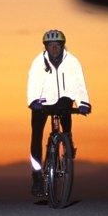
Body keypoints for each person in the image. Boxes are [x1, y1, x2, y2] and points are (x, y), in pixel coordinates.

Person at [27, 29, 92, 196]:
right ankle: (37, 179)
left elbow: (79, 83)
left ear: (63, 46)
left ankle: (67, 138)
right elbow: (32, 82)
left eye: (57, 45)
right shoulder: (38, 62)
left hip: (63, 98)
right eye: (50, 45)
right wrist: (33, 100)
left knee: (65, 108)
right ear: (46, 47)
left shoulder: (72, 61)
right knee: (36, 136)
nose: (54, 48)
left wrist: (83, 102)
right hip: (42, 102)